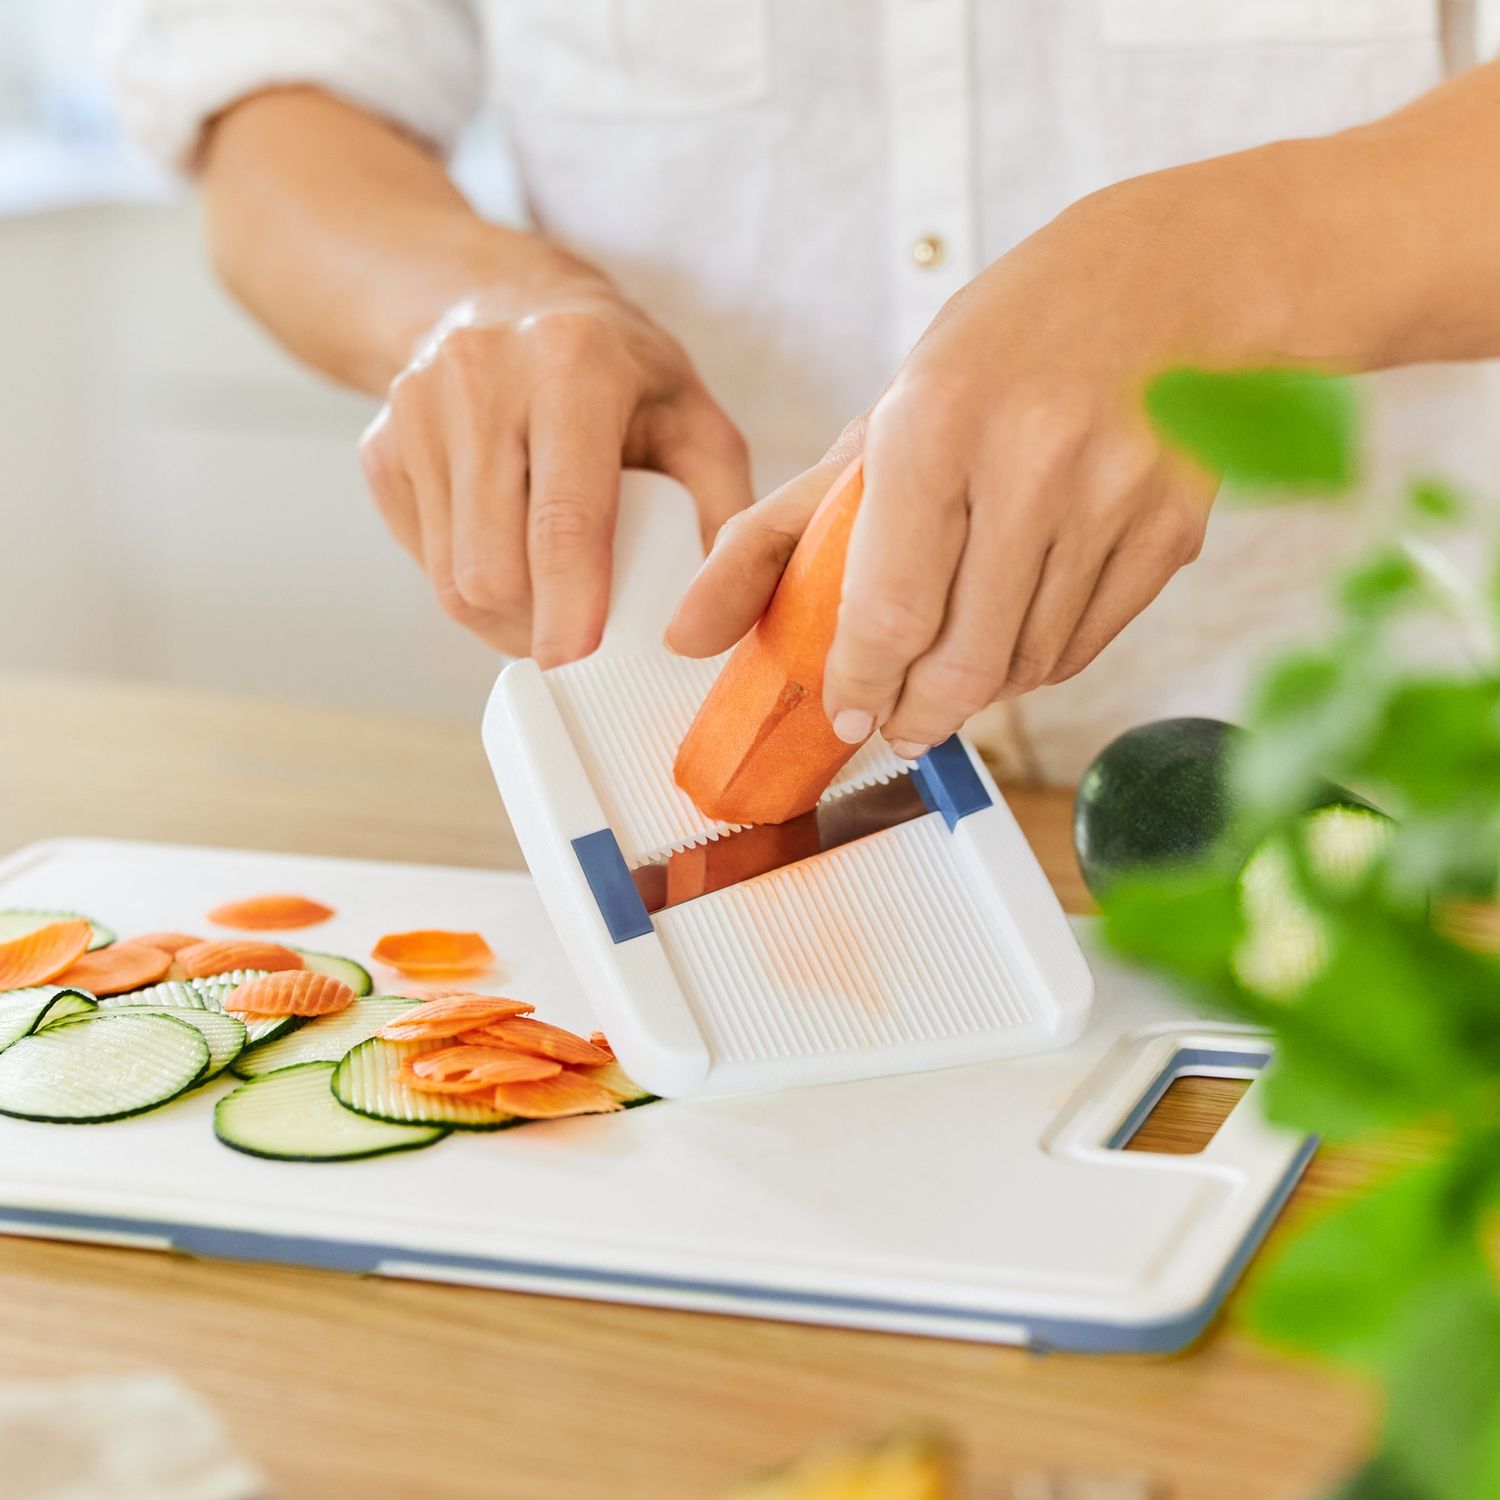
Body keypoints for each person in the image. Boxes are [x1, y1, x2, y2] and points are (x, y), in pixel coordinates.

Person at [110, 2, 1496, 780]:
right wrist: (477, 301)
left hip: (1398, 813)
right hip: (719, 833)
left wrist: (1218, 271)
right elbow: (276, 104)